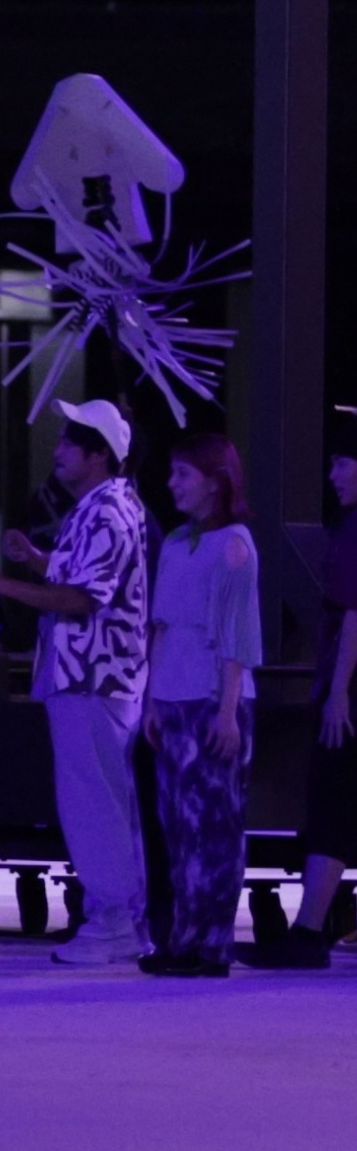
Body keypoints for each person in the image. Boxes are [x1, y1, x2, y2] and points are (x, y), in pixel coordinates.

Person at [0, 398, 151, 967]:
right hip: (95, 678)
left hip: (92, 680)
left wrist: (4, 586)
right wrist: (36, 558)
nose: (57, 452)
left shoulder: (105, 512)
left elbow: (82, 599)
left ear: (98, 455)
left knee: (93, 803)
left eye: (69, 444)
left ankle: (113, 922)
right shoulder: (105, 506)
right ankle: (122, 919)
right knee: (104, 800)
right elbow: (80, 577)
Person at [141, 432, 262, 976]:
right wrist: (151, 699)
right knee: (177, 824)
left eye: (183, 475)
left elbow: (238, 634)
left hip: (212, 699)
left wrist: (227, 709)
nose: (173, 484)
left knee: (213, 824)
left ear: (214, 482)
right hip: (172, 698)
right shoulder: (174, 544)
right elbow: (161, 626)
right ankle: (182, 938)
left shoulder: (234, 544)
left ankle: (212, 944)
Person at [248, 408, 357, 969]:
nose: (334, 473)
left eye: (343, 462)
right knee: (335, 807)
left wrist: (338, 690)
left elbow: (356, 613)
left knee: (333, 805)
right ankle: (310, 927)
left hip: (349, 693)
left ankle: (310, 929)